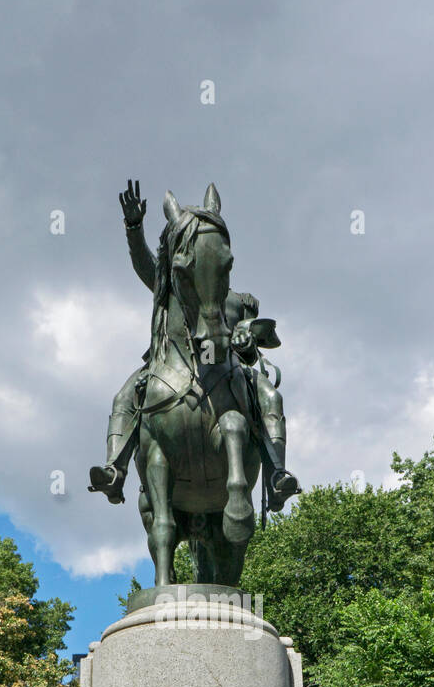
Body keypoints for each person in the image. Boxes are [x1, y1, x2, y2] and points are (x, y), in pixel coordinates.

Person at [89, 180, 299, 510]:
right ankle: (115, 469)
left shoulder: (241, 300)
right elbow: (144, 264)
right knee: (124, 396)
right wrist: (134, 227)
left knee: (270, 396)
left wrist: (246, 333)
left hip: (225, 366)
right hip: (172, 365)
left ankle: (277, 476)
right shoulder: (172, 288)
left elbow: (261, 334)